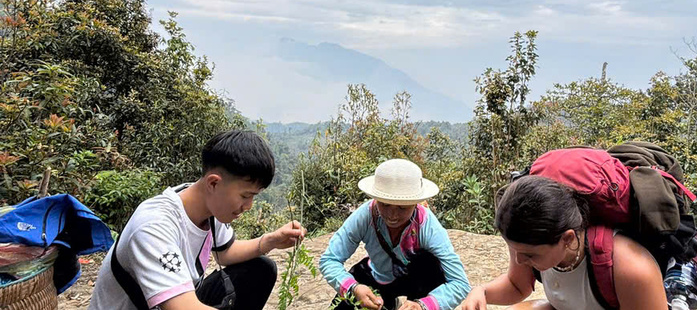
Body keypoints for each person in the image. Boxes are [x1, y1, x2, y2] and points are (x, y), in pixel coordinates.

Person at [88, 130, 307, 310]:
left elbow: (225, 253)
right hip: (173, 305)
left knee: (260, 269)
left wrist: (270, 241)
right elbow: (183, 307)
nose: (248, 206)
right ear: (213, 183)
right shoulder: (153, 226)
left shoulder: (209, 205)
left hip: (179, 300)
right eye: (245, 196)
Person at [462, 175, 667, 310]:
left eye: (530, 255)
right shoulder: (528, 241)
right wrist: (481, 292)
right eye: (515, 250)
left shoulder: (630, 269)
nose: (520, 260)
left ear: (567, 238)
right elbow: (517, 285)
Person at [320, 159, 471, 310]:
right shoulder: (366, 216)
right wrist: (353, 288)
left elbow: (460, 283)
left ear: (415, 203)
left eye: (402, 207)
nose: (392, 215)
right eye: (385, 204)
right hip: (377, 276)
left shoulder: (427, 225)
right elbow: (330, 259)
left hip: (419, 279)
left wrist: (423, 306)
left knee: (429, 264)